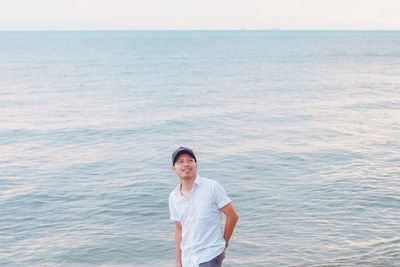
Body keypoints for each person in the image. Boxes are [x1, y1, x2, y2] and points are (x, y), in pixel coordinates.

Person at [169, 147, 239, 267]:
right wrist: (178, 261)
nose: (186, 164)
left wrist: (223, 245)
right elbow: (179, 229)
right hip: (188, 259)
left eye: (190, 160)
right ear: (173, 168)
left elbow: (232, 216)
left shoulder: (212, 187)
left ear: (196, 165)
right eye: (180, 161)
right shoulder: (174, 197)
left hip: (210, 255)